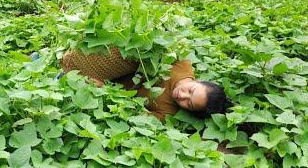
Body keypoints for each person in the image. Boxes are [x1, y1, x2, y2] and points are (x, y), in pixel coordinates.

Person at [61, 49, 232, 121]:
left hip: (104, 85)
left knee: (63, 81)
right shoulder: (181, 63)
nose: (183, 96)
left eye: (189, 103)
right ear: (198, 81)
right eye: (191, 91)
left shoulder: (168, 113)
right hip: (112, 63)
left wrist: (104, 90)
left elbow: (134, 112)